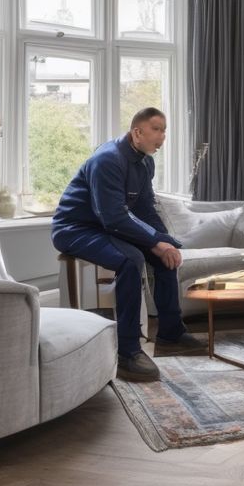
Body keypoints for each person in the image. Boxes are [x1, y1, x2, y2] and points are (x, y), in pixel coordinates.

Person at [51, 107, 206, 381]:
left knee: (166, 255)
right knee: (131, 260)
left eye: (164, 130)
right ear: (137, 132)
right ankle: (127, 350)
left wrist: (164, 242)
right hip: (76, 229)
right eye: (156, 129)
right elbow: (112, 217)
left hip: (107, 226)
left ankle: (171, 333)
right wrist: (154, 242)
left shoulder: (146, 162)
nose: (162, 136)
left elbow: (145, 209)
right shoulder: (107, 160)